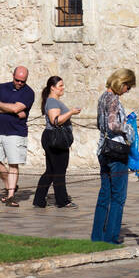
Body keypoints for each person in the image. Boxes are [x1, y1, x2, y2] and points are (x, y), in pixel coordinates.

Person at [91, 68, 136, 244]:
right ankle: (111, 237)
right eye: (128, 87)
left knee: (104, 194)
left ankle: (97, 236)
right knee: (118, 196)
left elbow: (99, 123)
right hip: (116, 151)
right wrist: (128, 128)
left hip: (103, 148)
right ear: (122, 83)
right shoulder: (114, 100)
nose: (128, 91)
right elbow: (113, 124)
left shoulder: (102, 97)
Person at [0, 66, 35, 206]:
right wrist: (11, 109)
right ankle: (10, 184)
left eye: (23, 81)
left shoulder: (28, 92)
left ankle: (10, 195)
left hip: (16, 132)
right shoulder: (2, 87)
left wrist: (0, 105)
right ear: (12, 75)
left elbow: (16, 108)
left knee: (13, 164)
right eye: (17, 80)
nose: (20, 83)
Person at [33, 75, 80, 209]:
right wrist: (71, 112)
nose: (63, 88)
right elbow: (55, 120)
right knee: (59, 170)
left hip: (52, 137)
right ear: (52, 88)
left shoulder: (53, 101)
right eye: (60, 86)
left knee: (51, 171)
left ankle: (39, 199)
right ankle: (62, 200)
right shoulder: (53, 101)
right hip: (55, 138)